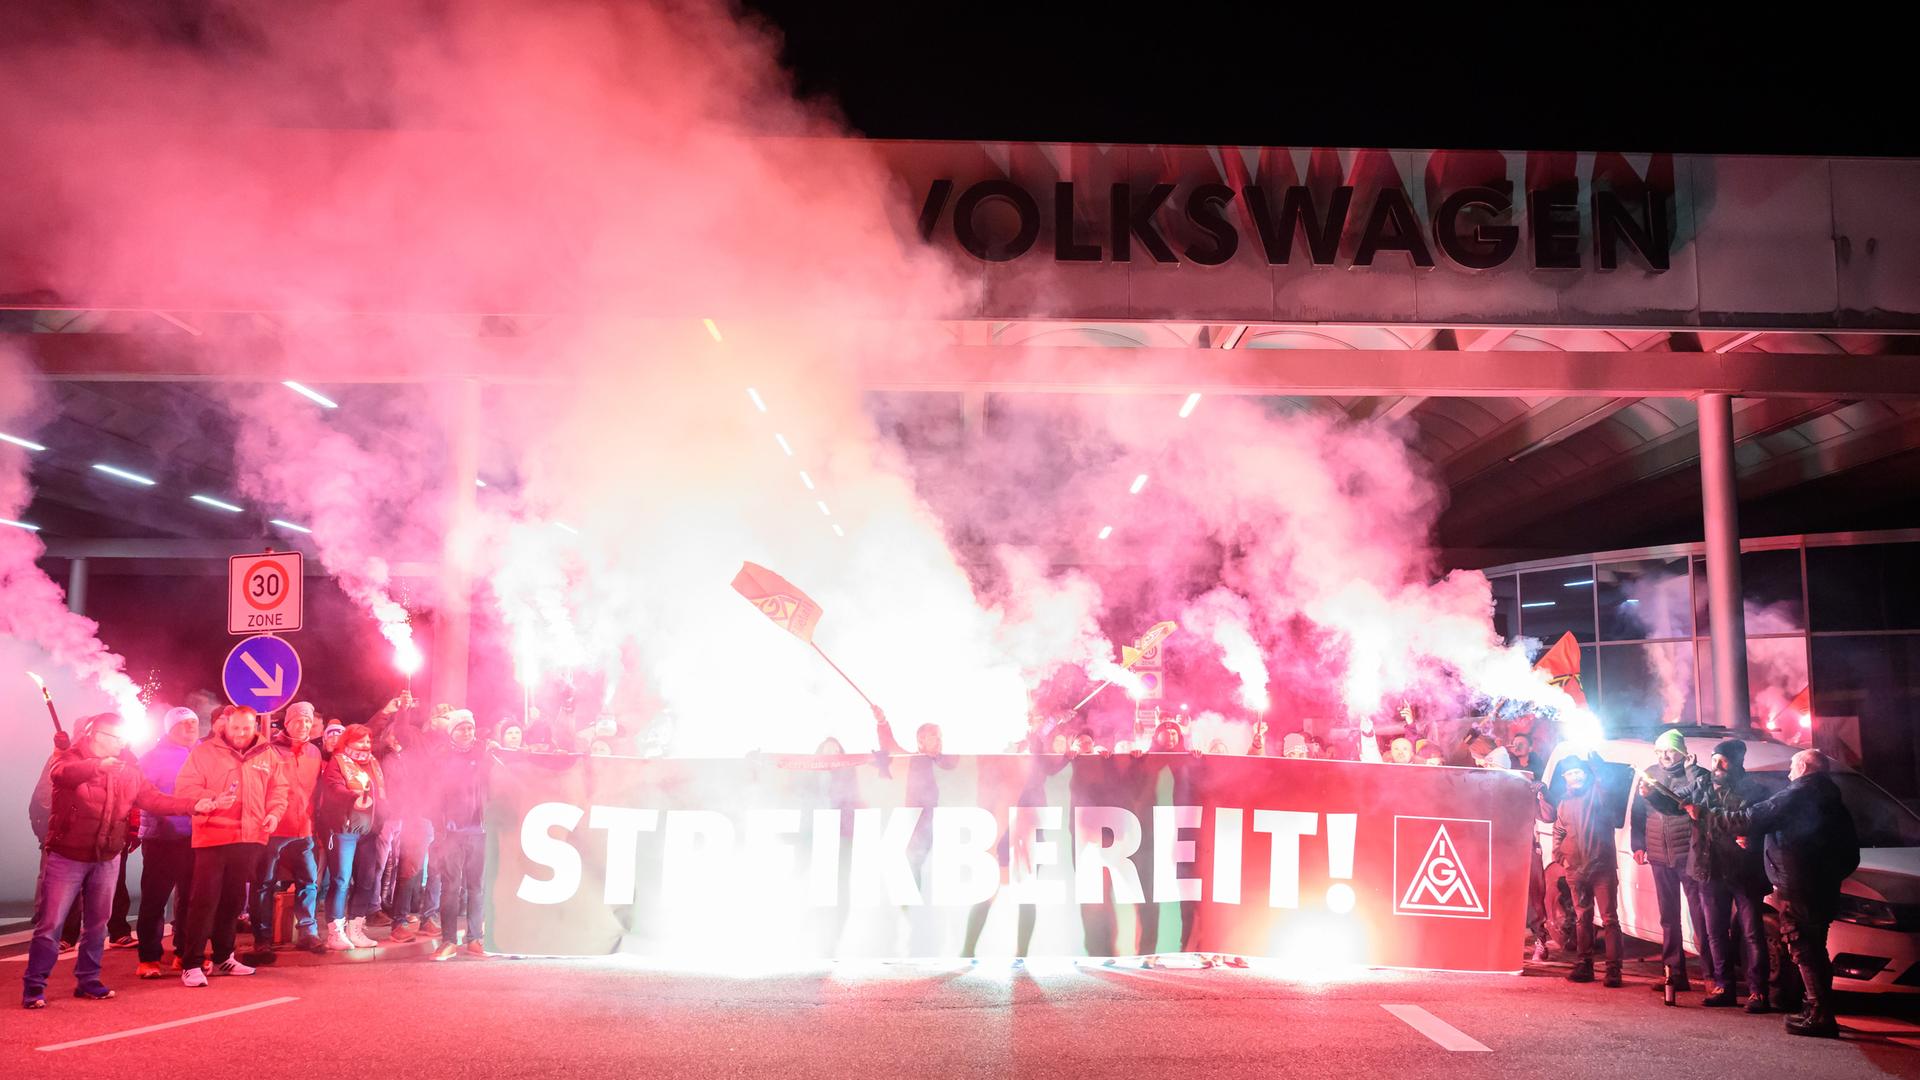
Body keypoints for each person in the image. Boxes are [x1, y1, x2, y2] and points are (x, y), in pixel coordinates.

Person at [22, 713, 208, 1009]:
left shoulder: (127, 766)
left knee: (98, 924)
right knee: (51, 924)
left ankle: (88, 980)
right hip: (67, 855)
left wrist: (192, 805)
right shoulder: (68, 757)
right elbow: (61, 775)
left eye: (123, 738)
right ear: (95, 734)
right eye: (114, 737)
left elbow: (153, 798)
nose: (120, 743)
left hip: (107, 856)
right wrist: (95, 767)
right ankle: (34, 986)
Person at [1713, 749, 1859, 1038]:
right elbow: (1809, 842)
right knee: (1816, 949)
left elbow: (1755, 817)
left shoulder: (1801, 792)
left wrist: (1708, 815)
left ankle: (1819, 1015)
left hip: (1800, 888)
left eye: (1793, 766)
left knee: (1803, 947)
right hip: (1820, 887)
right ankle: (1816, 1008)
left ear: (1804, 766)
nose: (1789, 772)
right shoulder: (1831, 797)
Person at [173, 705, 291, 987]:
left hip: (248, 839)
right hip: (212, 837)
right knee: (204, 901)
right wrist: (213, 799)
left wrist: (274, 813)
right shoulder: (204, 752)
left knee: (233, 901)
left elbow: (279, 789)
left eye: (246, 728)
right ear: (225, 725)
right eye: (235, 728)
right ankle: (192, 962)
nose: (240, 734)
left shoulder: (267, 754)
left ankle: (225, 954)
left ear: (255, 727)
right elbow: (185, 788)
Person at [1690, 739, 1773, 1012]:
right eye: (1714, 759)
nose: (1716, 765)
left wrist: (1750, 838)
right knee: (1715, 932)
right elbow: (1676, 801)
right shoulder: (1703, 787)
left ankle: (1757, 992)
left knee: (1751, 933)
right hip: (1711, 869)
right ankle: (1723, 986)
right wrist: (1652, 793)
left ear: (1736, 761)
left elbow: (1749, 821)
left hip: (1743, 871)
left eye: (1722, 760)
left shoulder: (1755, 791)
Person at [1632, 728, 1712, 991]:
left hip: (1687, 854)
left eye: (1670, 750)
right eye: (1661, 750)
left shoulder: (1697, 775)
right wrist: (1639, 844)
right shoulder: (1651, 773)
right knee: (1668, 916)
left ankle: (1711, 974)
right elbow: (1637, 812)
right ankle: (1674, 973)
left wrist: (1691, 771)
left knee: (1699, 914)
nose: (1665, 755)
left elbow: (1694, 800)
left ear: (1682, 752)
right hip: (1658, 854)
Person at [1541, 754, 1623, 987]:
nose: (1574, 777)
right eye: (1570, 774)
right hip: (1576, 870)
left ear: (1586, 774)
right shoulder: (1564, 803)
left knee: (1609, 920)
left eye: (1578, 772)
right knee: (1582, 919)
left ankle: (1613, 970)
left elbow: (1606, 782)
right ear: (1565, 778)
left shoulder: (1598, 795)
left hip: (1601, 867)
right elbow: (1558, 831)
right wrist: (1561, 857)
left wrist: (1595, 761)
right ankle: (1584, 965)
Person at [251, 703, 325, 953]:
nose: (303, 726)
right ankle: (262, 937)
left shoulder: (314, 752)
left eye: (307, 721)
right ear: (287, 723)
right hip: (273, 828)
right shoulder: (270, 749)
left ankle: (308, 931)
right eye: (298, 721)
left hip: (303, 828)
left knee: (308, 881)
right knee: (265, 882)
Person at [135, 707, 202, 978]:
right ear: (169, 729)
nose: (190, 727)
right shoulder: (151, 758)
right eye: (183, 723)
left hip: (197, 836)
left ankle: (183, 953)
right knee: (155, 898)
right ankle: (149, 958)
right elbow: (143, 794)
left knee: (191, 899)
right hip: (162, 837)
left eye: (194, 722)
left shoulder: (204, 754)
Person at [318, 724, 386, 951]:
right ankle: (335, 931)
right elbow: (333, 788)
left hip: (370, 830)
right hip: (344, 829)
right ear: (347, 742)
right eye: (359, 741)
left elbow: (382, 794)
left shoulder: (373, 763)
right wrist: (353, 798)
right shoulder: (338, 762)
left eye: (368, 741)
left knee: (367, 879)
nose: (365, 745)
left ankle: (356, 927)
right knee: (341, 880)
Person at [432, 711, 489, 959]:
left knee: (476, 887)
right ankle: (448, 941)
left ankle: (475, 939)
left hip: (479, 831)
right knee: (451, 888)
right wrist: (439, 825)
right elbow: (430, 793)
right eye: (461, 729)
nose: (467, 733)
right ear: (451, 732)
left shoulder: (485, 754)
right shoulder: (441, 757)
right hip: (452, 833)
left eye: (470, 728)